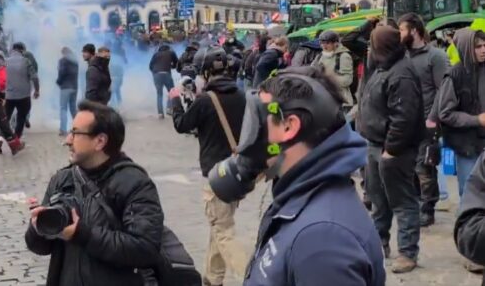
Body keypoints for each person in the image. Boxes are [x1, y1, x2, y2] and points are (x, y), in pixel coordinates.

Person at [242, 68, 385, 286]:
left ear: (289, 126)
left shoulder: (323, 240)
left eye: (260, 120)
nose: (252, 133)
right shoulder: (301, 195)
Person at [25, 101, 165, 285]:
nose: (67, 140)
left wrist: (81, 234)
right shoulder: (62, 179)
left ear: (100, 141)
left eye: (75, 133)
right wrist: (38, 227)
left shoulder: (135, 183)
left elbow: (144, 249)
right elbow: (42, 247)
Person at [171, 48, 246, 285]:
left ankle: (254, 277)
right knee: (220, 224)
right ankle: (213, 279)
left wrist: (175, 99)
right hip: (237, 172)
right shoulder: (241, 95)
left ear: (204, 72)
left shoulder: (206, 100)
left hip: (215, 175)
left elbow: (182, 124)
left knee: (223, 231)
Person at [358, 25, 423, 273]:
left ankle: (407, 252)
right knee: (378, 199)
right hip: (375, 145)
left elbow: (404, 117)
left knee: (402, 201)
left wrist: (392, 149)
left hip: (393, 151)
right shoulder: (383, 66)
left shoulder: (401, 73)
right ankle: (378, 243)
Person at [398, 13, 449, 227]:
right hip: (403, 121)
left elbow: (443, 90)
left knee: (424, 167)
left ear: (414, 31)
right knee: (408, 167)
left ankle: (427, 208)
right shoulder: (401, 56)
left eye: (402, 30)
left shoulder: (435, 56)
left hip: (427, 121)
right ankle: (415, 203)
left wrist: (434, 118)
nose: (399, 34)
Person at [437, 29, 485, 200]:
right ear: (465, 48)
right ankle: (468, 226)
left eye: (484, 45)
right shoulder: (454, 75)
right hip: (467, 148)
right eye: (478, 46)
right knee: (469, 195)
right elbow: (446, 113)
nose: (483, 50)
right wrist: (476, 119)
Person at [2, 42, 40, 144]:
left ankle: (0, 139)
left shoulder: (5, 62)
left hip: (9, 96)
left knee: (5, 118)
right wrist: (37, 90)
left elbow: (0, 78)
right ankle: (17, 140)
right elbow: (35, 77)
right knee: (21, 118)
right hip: (24, 96)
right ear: (22, 50)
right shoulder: (26, 61)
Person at [312, 30, 354, 107]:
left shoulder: (343, 56)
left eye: (327, 43)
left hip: (341, 101)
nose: (324, 46)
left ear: (335, 43)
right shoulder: (319, 56)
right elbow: (311, 72)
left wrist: (327, 78)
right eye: (322, 43)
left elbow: (347, 80)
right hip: (323, 99)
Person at [149, 44, 178, 119]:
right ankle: (169, 108)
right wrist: (171, 66)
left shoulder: (156, 54)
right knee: (171, 91)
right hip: (166, 74)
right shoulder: (171, 53)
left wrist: (155, 74)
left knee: (159, 94)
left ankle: (160, 113)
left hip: (156, 75)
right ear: (168, 49)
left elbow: (150, 66)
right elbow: (177, 63)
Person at [56, 47, 78, 137]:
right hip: (74, 87)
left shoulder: (63, 60)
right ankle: (78, 127)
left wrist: (58, 81)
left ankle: (63, 130)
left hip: (65, 87)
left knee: (63, 108)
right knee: (73, 108)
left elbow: (62, 72)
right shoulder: (75, 61)